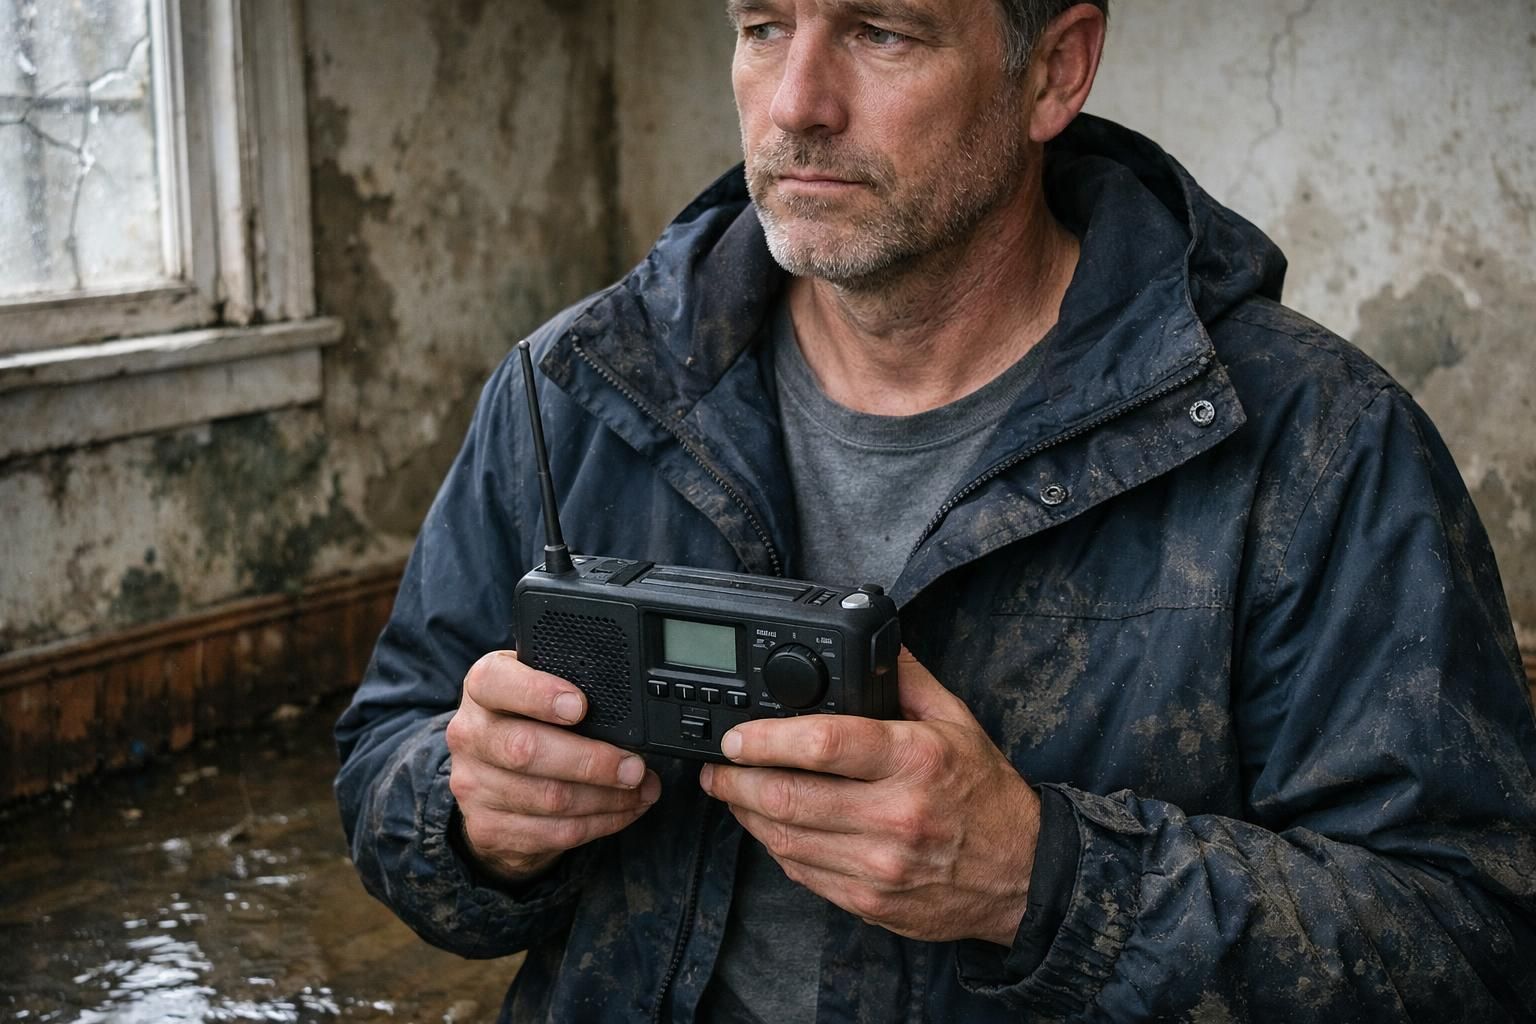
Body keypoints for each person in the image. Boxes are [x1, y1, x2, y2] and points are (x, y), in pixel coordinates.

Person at [334, 0, 1536, 1019]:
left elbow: (1476, 937)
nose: (797, 100)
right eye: (762, 26)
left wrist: (1046, 881)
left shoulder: (1313, 440)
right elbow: (388, 752)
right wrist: (473, 815)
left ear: (1053, 70)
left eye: (882, 31)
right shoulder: (575, 391)